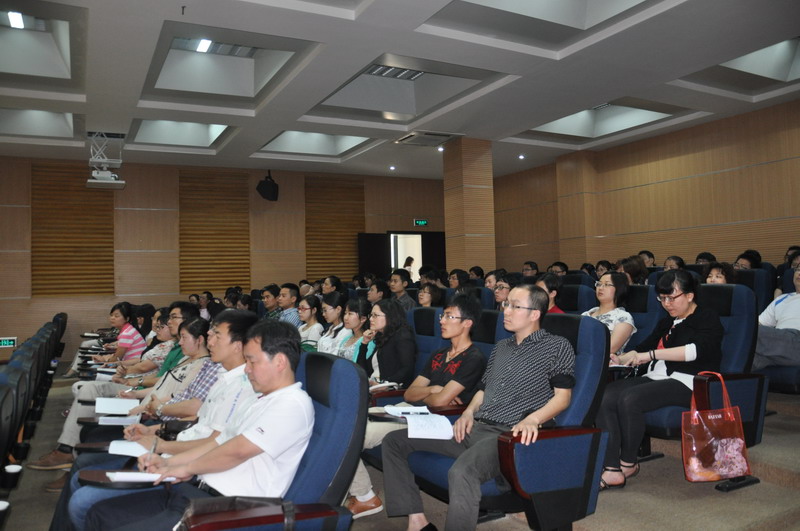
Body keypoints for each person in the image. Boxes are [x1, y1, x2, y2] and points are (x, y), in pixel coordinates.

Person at [84, 320, 314, 531]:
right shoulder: (259, 400)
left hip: (227, 508)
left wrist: (184, 468)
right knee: (99, 514)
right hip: (197, 490)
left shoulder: (292, 404)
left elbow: (237, 451)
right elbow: (216, 443)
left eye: (252, 361)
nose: (246, 369)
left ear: (280, 361)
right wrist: (168, 463)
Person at [382, 284, 575, 531]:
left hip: (506, 436)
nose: (506, 311)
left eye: (515, 306)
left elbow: (562, 398)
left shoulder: (557, 346)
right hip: (475, 427)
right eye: (506, 304)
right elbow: (483, 390)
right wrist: (467, 412)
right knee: (394, 441)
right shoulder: (501, 347)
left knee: (462, 472)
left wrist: (533, 419)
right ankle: (417, 522)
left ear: (535, 314)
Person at [62, 310, 259, 530]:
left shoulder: (243, 385)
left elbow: (215, 441)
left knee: (83, 499)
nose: (210, 341)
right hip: (173, 449)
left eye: (216, 336)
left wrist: (161, 446)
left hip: (186, 467)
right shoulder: (223, 376)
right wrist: (154, 430)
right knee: (84, 481)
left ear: (238, 345)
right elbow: (197, 422)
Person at [345, 295, 487, 519]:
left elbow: (440, 403)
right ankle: (358, 493)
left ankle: (365, 497)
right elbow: (410, 393)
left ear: (467, 323)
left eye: (449, 316)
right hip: (406, 409)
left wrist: (433, 394)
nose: (442, 321)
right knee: (346, 424)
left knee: (350, 436)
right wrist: (433, 390)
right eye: (443, 316)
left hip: (431, 419)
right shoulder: (439, 354)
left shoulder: (474, 358)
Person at [596, 270, 723, 489]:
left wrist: (651, 355)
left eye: (671, 298)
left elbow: (694, 351)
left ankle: (628, 463)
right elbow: (643, 348)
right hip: (658, 376)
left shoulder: (707, 317)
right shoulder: (667, 322)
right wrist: (621, 358)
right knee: (605, 396)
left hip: (691, 381)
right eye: (662, 298)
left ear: (690, 295)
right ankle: (612, 468)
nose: (666, 304)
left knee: (630, 398)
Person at [355, 299, 417, 388]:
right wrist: (364, 344)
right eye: (371, 315)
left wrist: (385, 384)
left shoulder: (403, 335)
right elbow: (363, 370)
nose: (371, 319)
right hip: (375, 386)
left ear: (390, 316)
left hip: (390, 389)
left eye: (375, 315)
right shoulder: (382, 336)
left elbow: (407, 369)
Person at [751, 267, 800, 371]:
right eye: (798, 269)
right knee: (742, 358)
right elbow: (758, 324)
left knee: (746, 332)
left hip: (796, 340)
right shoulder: (782, 298)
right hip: (778, 344)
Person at [583, 272, 636, 354]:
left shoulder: (623, 317)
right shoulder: (586, 314)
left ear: (619, 289)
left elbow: (610, 349)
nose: (600, 288)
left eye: (607, 285)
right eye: (599, 284)